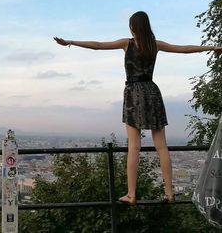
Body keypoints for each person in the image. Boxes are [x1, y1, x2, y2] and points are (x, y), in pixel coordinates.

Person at [54, 11, 222, 205]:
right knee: (162, 146)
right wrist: (213, 47)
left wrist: (71, 42)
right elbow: (183, 49)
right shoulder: (155, 45)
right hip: (152, 92)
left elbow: (99, 46)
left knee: (134, 146)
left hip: (134, 93)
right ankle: (169, 192)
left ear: (133, 27)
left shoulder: (127, 43)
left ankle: (131, 194)